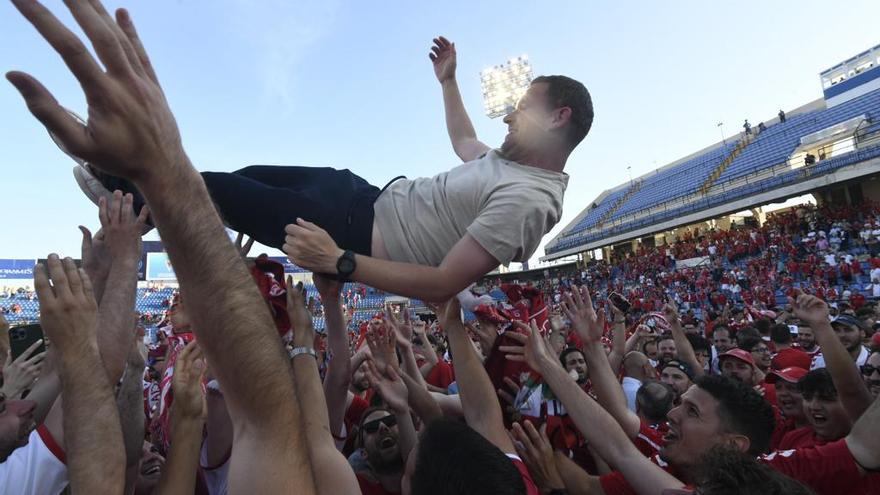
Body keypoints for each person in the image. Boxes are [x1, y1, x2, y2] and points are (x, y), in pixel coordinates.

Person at [56, 35, 594, 304]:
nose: (511, 111)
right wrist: (447, 81)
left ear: (558, 117)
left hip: (355, 234)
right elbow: (462, 140)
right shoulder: (507, 162)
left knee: (219, 191)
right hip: (361, 195)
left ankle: (118, 184)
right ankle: (144, 207)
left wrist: (340, 261)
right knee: (243, 177)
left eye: (525, 105)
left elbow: (444, 283)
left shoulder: (529, 199)